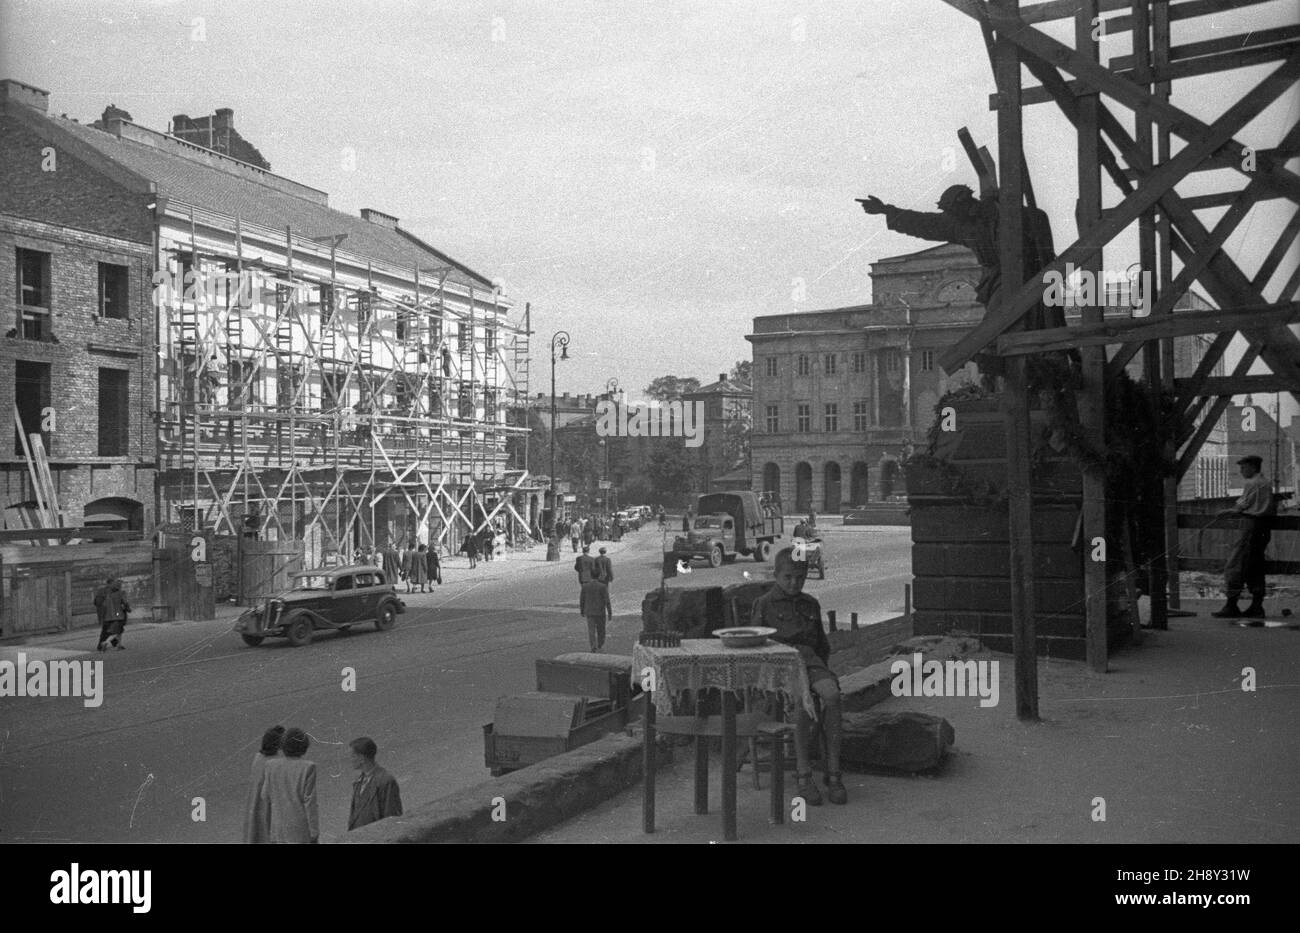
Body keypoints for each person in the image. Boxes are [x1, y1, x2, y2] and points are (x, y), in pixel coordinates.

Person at [749, 547, 846, 806]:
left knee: (833, 696)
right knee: (804, 703)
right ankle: (803, 774)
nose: (794, 583)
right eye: (788, 577)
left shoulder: (810, 604)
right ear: (777, 575)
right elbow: (755, 646)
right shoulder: (765, 604)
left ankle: (833, 772)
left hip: (810, 663)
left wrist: (820, 674)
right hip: (781, 668)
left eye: (800, 578)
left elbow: (821, 646)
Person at [1212, 455, 1277, 623]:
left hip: (1252, 526)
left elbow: (1242, 505)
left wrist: (1226, 511)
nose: (1241, 471)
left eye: (1244, 467)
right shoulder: (1265, 483)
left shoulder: (1253, 483)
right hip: (1263, 527)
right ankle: (1256, 605)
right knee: (1254, 564)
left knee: (1237, 563)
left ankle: (1232, 604)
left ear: (1253, 467)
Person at [260, 727, 319, 844]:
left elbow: (265, 795)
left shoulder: (271, 766)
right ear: (304, 747)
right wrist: (314, 831)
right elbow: (310, 803)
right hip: (300, 829)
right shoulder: (308, 767)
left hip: (279, 827)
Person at [347, 736, 403, 831]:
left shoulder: (386, 781)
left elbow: (391, 817)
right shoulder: (358, 782)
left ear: (361, 758)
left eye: (353, 756)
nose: (350, 759)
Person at [244, 725, 285, 844]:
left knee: (257, 833)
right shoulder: (276, 762)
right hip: (269, 810)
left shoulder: (258, 758)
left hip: (256, 806)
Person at [94, 578, 130, 651]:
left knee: (110, 629)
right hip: (116, 615)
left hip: (105, 614)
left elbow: (96, 602)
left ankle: (117, 644)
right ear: (111, 583)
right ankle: (104, 644)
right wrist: (127, 608)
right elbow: (124, 603)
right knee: (114, 630)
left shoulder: (102, 591)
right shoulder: (118, 592)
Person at [580, 575, 612, 652]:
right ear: (599, 576)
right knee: (601, 630)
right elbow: (607, 600)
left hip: (589, 611)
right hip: (600, 611)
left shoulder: (585, 586)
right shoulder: (602, 586)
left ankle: (593, 646)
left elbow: (582, 599)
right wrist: (609, 612)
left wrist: (582, 610)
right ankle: (600, 645)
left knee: (591, 631)